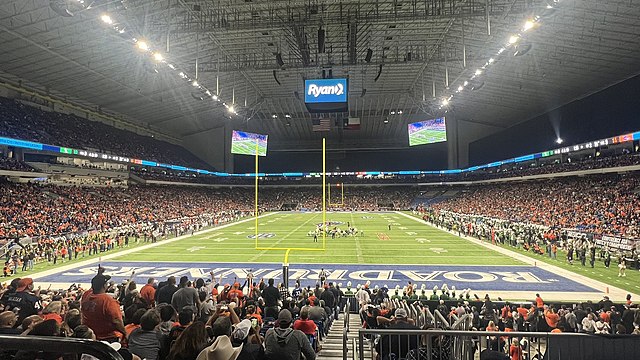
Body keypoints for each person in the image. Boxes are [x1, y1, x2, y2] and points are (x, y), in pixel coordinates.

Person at [81, 271, 127, 342]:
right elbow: (117, 321)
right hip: (108, 338)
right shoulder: (108, 301)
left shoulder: (86, 296)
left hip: (91, 336)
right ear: (104, 286)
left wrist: (99, 274)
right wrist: (125, 334)